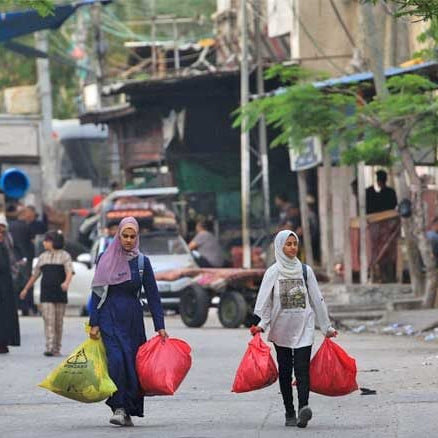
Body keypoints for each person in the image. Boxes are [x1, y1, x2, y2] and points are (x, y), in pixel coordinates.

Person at [251, 230, 337, 429]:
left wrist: (327, 327)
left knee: (302, 370)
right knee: (285, 372)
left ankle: (303, 409)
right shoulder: (273, 272)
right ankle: (289, 411)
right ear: (280, 247)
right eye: (288, 244)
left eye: (294, 244)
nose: (292, 248)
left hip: (303, 328)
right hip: (281, 330)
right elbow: (264, 302)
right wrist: (261, 325)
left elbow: (317, 300)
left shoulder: (305, 271)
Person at [89, 217, 168, 427]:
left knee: (132, 365)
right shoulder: (104, 258)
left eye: (133, 236)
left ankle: (129, 409)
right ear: (118, 235)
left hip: (133, 319)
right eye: (125, 235)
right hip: (109, 316)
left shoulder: (142, 262)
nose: (128, 240)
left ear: (137, 237)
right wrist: (94, 322)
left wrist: (160, 326)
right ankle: (119, 407)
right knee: (116, 361)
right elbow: (96, 293)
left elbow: (153, 295)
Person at [19, 230, 73, 356]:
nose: (44, 243)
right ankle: (49, 347)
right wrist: (26, 289)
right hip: (46, 293)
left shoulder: (65, 256)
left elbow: (69, 271)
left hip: (60, 293)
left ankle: (56, 348)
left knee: (58, 322)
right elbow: (35, 275)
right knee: (49, 320)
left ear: (53, 242)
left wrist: (66, 283)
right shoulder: (43, 257)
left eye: (47, 241)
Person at [0, 221, 20, 354]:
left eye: (2, 233)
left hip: (5, 288)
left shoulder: (3, 248)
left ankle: (3, 342)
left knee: (5, 315)